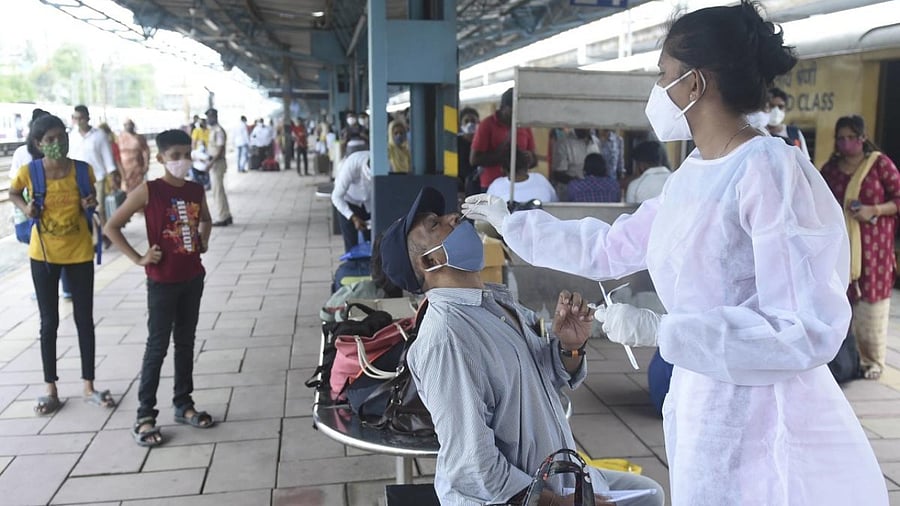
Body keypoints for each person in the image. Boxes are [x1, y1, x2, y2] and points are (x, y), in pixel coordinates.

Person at [462, 2, 888, 504]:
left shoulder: (769, 172)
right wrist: (514, 224)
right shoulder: (692, 175)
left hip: (766, 416)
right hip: (702, 401)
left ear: (696, 83)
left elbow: (804, 327)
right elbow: (612, 245)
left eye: (663, 75)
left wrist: (666, 331)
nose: (658, 89)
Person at [378, 186, 664, 506]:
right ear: (431, 261)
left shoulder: (496, 303)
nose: (453, 217)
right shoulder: (446, 339)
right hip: (516, 496)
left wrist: (569, 346)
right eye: (435, 225)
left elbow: (548, 376)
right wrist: (555, 503)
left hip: (555, 475)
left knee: (651, 493)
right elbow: (472, 465)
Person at [104, 129, 214, 447]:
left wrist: (204, 239)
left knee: (185, 343)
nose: (182, 160)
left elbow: (205, 220)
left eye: (186, 153)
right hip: (162, 282)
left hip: (192, 278)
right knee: (157, 347)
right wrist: (140, 258)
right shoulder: (149, 191)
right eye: (175, 155)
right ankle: (144, 415)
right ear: (161, 158)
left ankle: (183, 404)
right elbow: (111, 226)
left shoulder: (195, 190)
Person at [8, 114, 116, 416]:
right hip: (42, 254)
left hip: (80, 252)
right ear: (39, 144)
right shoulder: (30, 172)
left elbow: (91, 200)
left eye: (62, 137)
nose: (58, 143)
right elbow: (13, 193)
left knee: (85, 319)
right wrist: (25, 207)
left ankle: (89, 386)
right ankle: (50, 389)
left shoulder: (83, 171)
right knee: (49, 322)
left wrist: (89, 203)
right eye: (50, 140)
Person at [820, 115, 900, 381]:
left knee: (871, 303)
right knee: (839, 301)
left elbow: (898, 198)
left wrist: (874, 209)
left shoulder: (879, 166)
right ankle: (845, 359)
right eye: (840, 138)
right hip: (840, 248)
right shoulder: (830, 169)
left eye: (851, 137)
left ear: (863, 138)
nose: (845, 143)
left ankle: (871, 360)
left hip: (873, 249)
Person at [471, 87, 537, 191]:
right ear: (503, 107)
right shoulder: (487, 125)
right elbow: (474, 160)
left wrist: (528, 158)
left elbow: (534, 159)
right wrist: (504, 154)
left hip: (519, 184)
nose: (516, 114)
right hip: (491, 185)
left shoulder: (524, 125)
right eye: (513, 111)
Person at [68, 105, 116, 230]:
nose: (78, 121)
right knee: (81, 207)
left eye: (81, 118)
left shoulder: (99, 135)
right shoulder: (71, 136)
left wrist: (112, 178)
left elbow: (108, 159)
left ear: (88, 118)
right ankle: (93, 233)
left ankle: (104, 232)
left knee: (98, 207)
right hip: (77, 178)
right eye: (75, 118)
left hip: (97, 178)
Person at [331, 150, 372, 253]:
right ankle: (352, 266)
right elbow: (336, 197)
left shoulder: (386, 164)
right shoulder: (352, 164)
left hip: (369, 204)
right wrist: (353, 217)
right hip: (348, 202)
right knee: (351, 246)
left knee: (373, 243)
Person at [487, 148, 557, 204]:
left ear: (502, 169)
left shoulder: (496, 186)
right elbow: (555, 202)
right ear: (527, 165)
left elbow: (487, 213)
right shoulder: (541, 179)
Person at [551, 128, 599, 198]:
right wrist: (579, 182)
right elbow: (557, 174)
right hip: (569, 194)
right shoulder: (564, 143)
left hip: (592, 193)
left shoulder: (596, 142)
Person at [205, 109, 232, 227]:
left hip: (217, 163)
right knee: (218, 190)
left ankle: (223, 217)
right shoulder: (213, 130)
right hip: (215, 162)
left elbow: (220, 149)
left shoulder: (219, 131)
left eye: (210, 117)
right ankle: (226, 215)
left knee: (218, 191)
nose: (208, 119)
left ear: (215, 116)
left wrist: (211, 163)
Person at [767, 87, 810, 159]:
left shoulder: (794, 132)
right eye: (772, 106)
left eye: (780, 106)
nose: (776, 110)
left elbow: (805, 160)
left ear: (785, 109)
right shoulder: (759, 133)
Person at [118, 119, 150, 193]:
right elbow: (116, 156)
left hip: (137, 168)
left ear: (133, 126)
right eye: (126, 124)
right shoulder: (119, 138)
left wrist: (146, 166)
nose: (129, 126)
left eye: (130, 124)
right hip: (124, 170)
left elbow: (146, 152)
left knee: (138, 190)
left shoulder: (139, 138)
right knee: (126, 190)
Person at [457, 107, 480, 195]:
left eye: (473, 121)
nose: (470, 124)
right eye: (466, 121)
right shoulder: (456, 143)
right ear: (461, 124)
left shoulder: (483, 141)